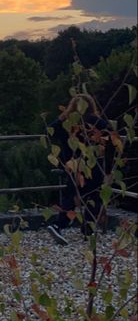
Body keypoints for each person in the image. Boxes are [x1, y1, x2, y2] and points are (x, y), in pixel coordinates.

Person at [46, 94, 113, 245]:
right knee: (94, 197)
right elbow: (111, 143)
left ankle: (58, 225)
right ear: (91, 106)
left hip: (73, 165)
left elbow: (49, 130)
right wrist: (108, 170)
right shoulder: (98, 122)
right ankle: (87, 229)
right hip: (94, 165)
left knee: (71, 196)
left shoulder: (66, 122)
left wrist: (64, 117)